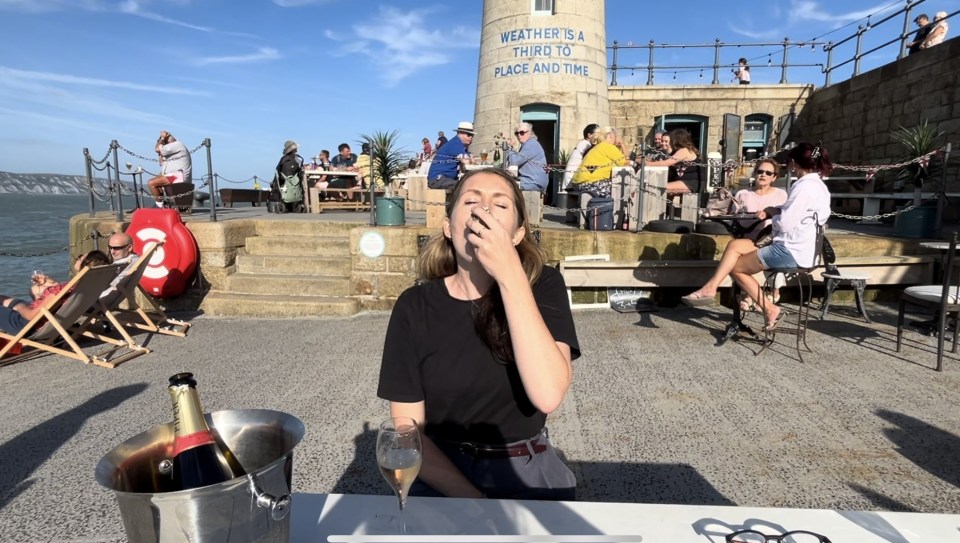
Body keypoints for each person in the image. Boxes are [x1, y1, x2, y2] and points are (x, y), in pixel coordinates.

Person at [378, 168, 580, 500]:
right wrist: (473, 500)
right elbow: (407, 430)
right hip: (440, 473)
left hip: (526, 468)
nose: (483, 210)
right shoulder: (414, 306)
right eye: (471, 200)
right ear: (448, 226)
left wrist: (509, 274)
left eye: (500, 205)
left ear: (517, 234)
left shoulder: (544, 286)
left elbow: (548, 394)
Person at [681, 142, 833, 331]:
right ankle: (710, 288)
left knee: (736, 268)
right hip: (802, 248)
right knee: (735, 246)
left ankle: (769, 309)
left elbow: (785, 225)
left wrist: (774, 215)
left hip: (790, 250)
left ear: (793, 163)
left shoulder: (802, 187)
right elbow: (802, 215)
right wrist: (775, 210)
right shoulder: (819, 186)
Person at [0, 250, 111, 335]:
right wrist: (53, 284)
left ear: (86, 264)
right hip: (53, 324)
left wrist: (19, 307)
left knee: (15, 303)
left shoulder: (63, 290)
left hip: (29, 326)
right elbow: (63, 298)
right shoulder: (86, 286)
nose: (77, 258)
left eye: (80, 257)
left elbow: (31, 316)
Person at [733, 159, 788, 311]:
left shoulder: (781, 195)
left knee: (769, 253)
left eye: (768, 173)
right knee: (742, 254)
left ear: (774, 177)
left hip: (770, 237)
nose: (763, 175)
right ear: (755, 174)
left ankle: (774, 292)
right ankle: (750, 294)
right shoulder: (743, 194)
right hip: (748, 236)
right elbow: (734, 217)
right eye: (760, 171)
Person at [570, 126, 628, 197]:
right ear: (611, 136)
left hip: (578, 183)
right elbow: (625, 164)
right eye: (616, 137)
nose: (617, 139)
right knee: (619, 189)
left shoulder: (599, 146)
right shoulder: (608, 146)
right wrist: (623, 145)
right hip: (590, 183)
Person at [646, 128, 701, 196]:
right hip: (682, 181)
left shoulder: (684, 150)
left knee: (658, 187)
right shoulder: (679, 150)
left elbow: (666, 163)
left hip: (690, 182)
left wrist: (647, 164)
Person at [147, 130, 193, 207]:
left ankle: (160, 206)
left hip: (178, 176)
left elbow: (157, 149)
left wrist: (162, 138)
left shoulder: (176, 145)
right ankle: (161, 204)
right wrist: (161, 155)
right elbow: (161, 163)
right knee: (157, 180)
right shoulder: (172, 151)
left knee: (151, 183)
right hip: (175, 175)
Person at [427, 121, 474, 189]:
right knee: (466, 186)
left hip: (445, 179)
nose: (471, 137)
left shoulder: (460, 145)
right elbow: (467, 162)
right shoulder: (455, 145)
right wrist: (470, 159)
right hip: (438, 179)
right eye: (468, 134)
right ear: (460, 133)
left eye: (472, 135)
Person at [505, 122, 549, 192]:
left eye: (522, 133)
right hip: (529, 180)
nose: (519, 135)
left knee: (505, 185)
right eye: (516, 133)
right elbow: (517, 159)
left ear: (529, 133)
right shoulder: (527, 144)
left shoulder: (531, 144)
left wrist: (509, 148)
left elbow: (514, 162)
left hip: (533, 182)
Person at [562, 123, 599, 189]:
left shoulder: (583, 144)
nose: (599, 137)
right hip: (572, 180)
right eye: (597, 134)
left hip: (572, 179)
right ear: (589, 135)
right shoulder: (586, 144)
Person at [274, 140, 305, 212]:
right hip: (295, 179)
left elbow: (278, 169)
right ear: (293, 149)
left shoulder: (283, 159)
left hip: (284, 179)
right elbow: (299, 169)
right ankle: (298, 202)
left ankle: (287, 202)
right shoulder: (297, 159)